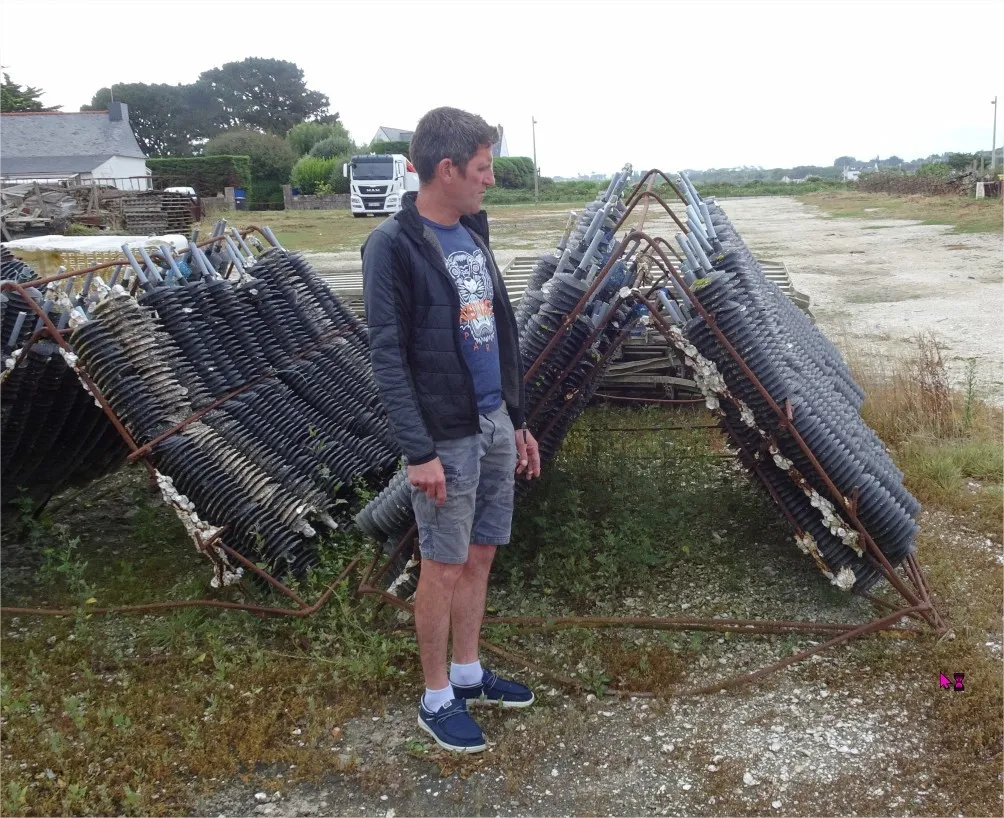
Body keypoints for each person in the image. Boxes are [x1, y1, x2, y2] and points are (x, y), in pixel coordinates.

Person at [362, 107, 541, 754]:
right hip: (445, 437)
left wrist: (517, 421)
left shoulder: (472, 232)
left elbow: (501, 332)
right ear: (447, 169)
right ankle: (436, 697)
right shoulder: (393, 246)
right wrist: (419, 452)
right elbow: (387, 354)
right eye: (483, 168)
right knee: (440, 566)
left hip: (492, 422)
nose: (489, 181)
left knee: (482, 552)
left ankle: (468, 674)